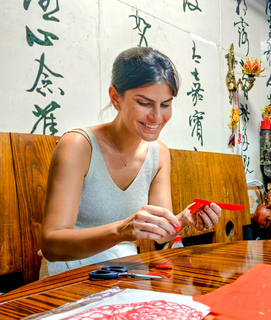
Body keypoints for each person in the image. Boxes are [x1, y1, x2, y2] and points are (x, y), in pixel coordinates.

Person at [40, 47, 222, 279]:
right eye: (144, 103)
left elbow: (161, 235)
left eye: (165, 104)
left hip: (124, 274)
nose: (157, 117)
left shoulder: (159, 154)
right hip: (67, 277)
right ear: (116, 98)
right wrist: (121, 230)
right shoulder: (78, 145)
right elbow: (52, 246)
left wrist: (184, 219)